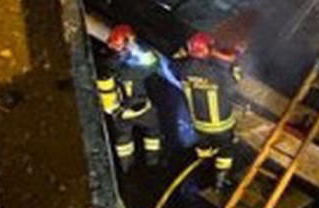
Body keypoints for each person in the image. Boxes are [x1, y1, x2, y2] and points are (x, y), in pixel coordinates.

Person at [176, 31, 243, 191]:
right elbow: (232, 87)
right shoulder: (216, 71)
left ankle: (204, 170)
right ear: (207, 49)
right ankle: (220, 181)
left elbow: (178, 59)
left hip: (199, 124)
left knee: (204, 147)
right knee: (226, 149)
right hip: (221, 125)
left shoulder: (183, 69)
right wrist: (234, 65)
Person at [97, 24, 165, 171]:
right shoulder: (131, 69)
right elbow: (153, 63)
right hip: (140, 109)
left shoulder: (105, 63)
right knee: (153, 132)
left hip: (118, 113)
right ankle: (153, 164)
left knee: (123, 143)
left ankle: (126, 169)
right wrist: (136, 48)